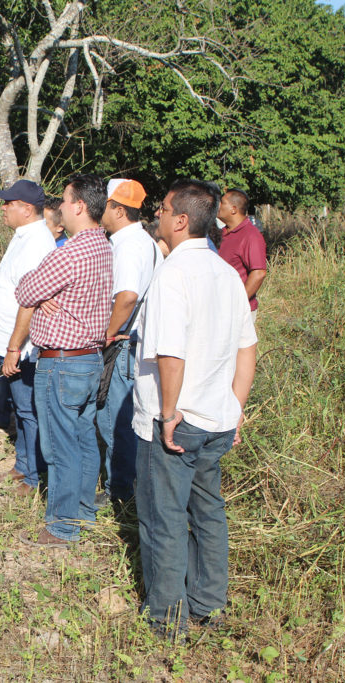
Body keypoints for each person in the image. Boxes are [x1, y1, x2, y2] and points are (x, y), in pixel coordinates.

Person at [132, 179, 257, 638]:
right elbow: (247, 348)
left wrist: (168, 413)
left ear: (181, 220)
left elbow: (171, 353)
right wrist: (235, 408)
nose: (158, 214)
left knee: (164, 516)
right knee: (207, 511)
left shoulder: (173, 274)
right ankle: (209, 602)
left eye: (164, 209)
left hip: (177, 421)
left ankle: (168, 617)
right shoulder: (227, 274)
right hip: (216, 418)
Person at [15, 173, 113, 546]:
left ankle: (63, 526)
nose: (59, 207)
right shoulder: (103, 246)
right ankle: (83, 512)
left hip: (61, 362)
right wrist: (46, 293)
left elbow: (25, 290)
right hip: (89, 359)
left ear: (79, 206)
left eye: (65, 200)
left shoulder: (70, 253)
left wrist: (41, 293)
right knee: (84, 439)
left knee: (60, 447)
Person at [0, 180, 56, 495]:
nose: (4, 208)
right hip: (11, 341)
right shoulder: (25, 236)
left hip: (22, 345)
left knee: (27, 410)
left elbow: (31, 301)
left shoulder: (36, 243)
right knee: (22, 409)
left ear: (27, 208)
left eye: (9, 203)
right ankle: (24, 465)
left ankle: (32, 475)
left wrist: (14, 347)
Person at [96, 179, 163, 505]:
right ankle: (124, 485)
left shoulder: (129, 245)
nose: (99, 209)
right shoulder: (143, 241)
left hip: (124, 345)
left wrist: (105, 336)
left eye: (104, 204)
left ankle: (120, 491)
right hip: (133, 342)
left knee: (117, 421)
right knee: (123, 419)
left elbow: (127, 297)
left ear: (119, 210)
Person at [217, 188, 267, 321]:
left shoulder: (251, 235)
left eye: (222, 202)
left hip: (238, 313)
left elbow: (259, 273)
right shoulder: (222, 233)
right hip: (220, 309)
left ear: (233, 209)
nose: (218, 205)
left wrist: (238, 303)